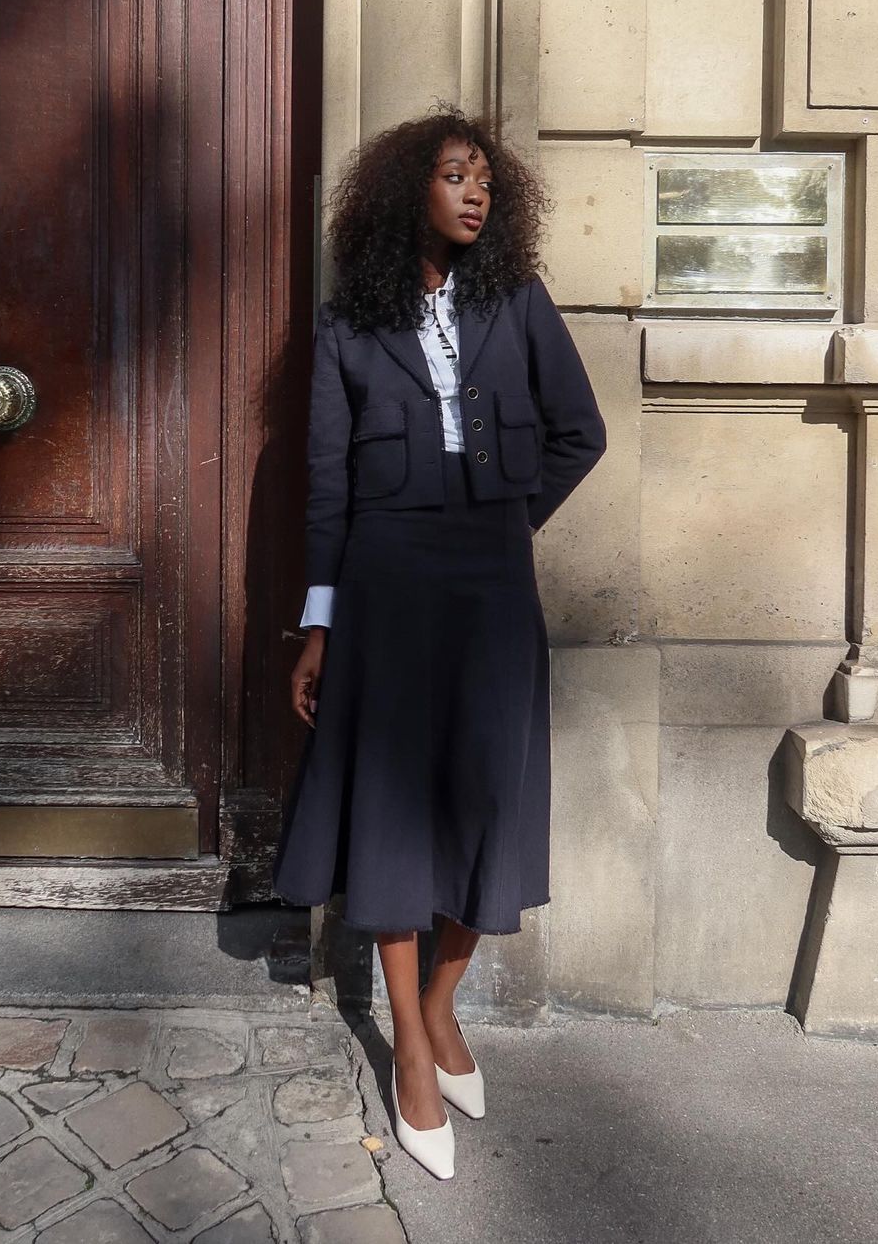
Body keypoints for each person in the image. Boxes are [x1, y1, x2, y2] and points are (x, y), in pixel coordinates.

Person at [272, 105, 607, 1179]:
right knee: (391, 806)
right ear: (405, 190)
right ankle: (413, 1048)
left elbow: (578, 432)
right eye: (457, 178)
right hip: (383, 580)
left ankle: (440, 1001)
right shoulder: (346, 327)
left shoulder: (517, 303)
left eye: (487, 185)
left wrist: (509, 517)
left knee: (486, 794)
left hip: (492, 577)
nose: (475, 196)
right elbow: (328, 486)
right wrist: (317, 626)